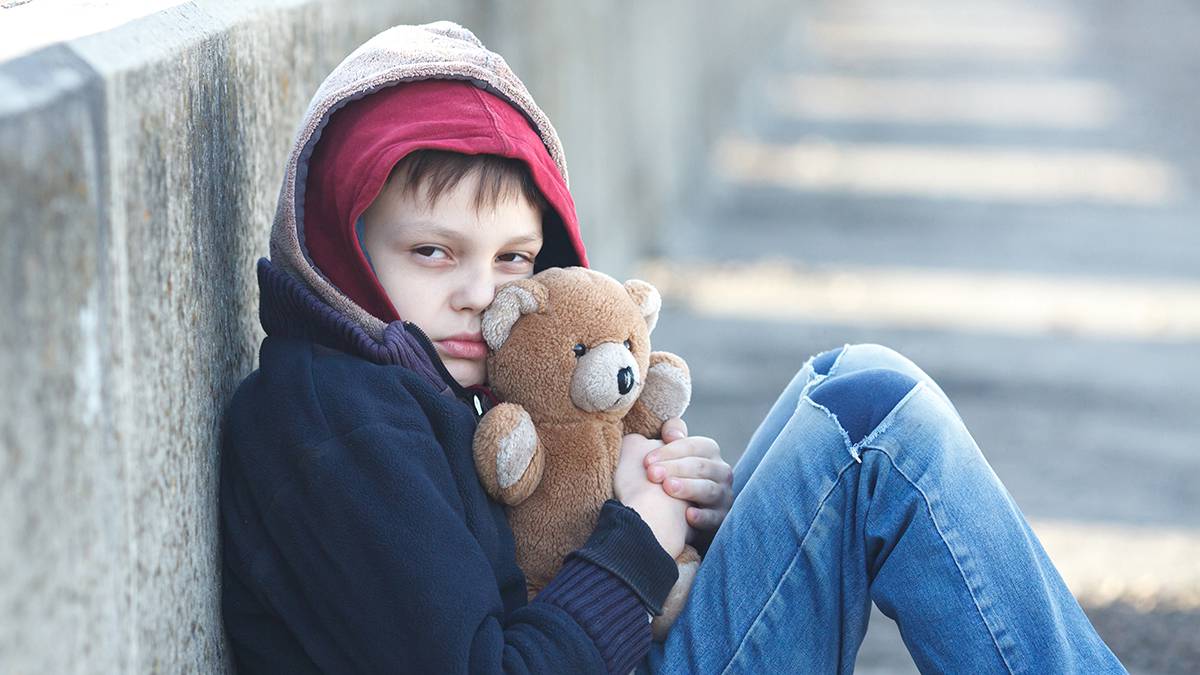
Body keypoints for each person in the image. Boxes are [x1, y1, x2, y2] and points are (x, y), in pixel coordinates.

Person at [219, 21, 1126, 674]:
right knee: (874, 429)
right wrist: (635, 544)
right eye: (432, 252)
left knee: (848, 389)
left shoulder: (427, 382)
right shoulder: (334, 420)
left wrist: (665, 504)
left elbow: (522, 566)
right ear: (340, 242)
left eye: (514, 259)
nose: (479, 292)